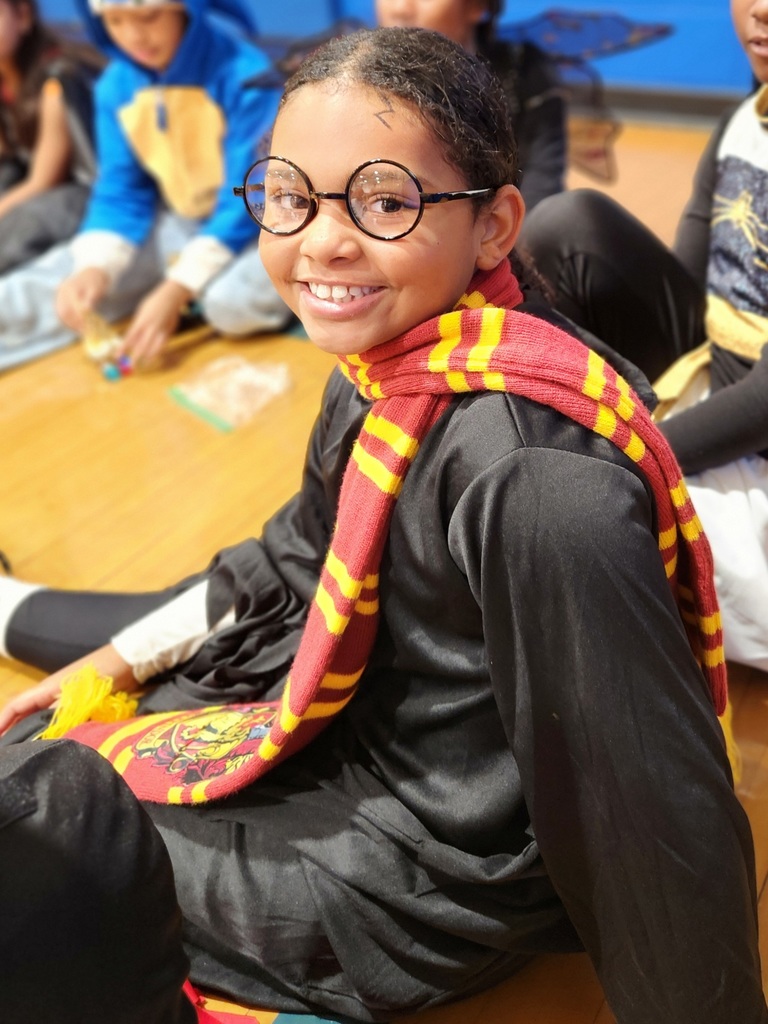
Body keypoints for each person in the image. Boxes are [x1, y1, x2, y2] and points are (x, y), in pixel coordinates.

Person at [0, 25, 765, 1024]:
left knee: (44, 831)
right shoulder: (393, 363)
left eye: (385, 201)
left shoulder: (534, 481)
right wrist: (118, 656)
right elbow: (291, 558)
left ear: (495, 228)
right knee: (76, 749)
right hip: (373, 740)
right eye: (288, 195)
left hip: (432, 868)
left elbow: (651, 809)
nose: (322, 240)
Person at [519, 0, 768, 671]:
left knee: (583, 521)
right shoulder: (744, 124)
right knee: (568, 225)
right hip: (717, 378)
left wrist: (622, 453)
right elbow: (688, 289)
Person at [0, 0, 290, 373]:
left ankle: (198, 298)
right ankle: (182, 293)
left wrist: (178, 286)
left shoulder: (245, 74)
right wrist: (96, 265)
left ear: (185, 9)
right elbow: (121, 191)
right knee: (71, 287)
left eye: (149, 17)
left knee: (232, 305)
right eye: (116, 21)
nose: (133, 35)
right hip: (182, 224)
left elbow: (251, 196)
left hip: (259, 228)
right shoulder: (115, 88)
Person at [375, 0, 566, 211]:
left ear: (478, 7)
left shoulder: (523, 72)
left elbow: (541, 179)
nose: (400, 8)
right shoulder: (346, 75)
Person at [0, 0, 103, 273]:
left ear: (22, 14)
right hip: (38, 191)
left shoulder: (57, 78)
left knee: (23, 224)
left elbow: (43, 181)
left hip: (85, 194)